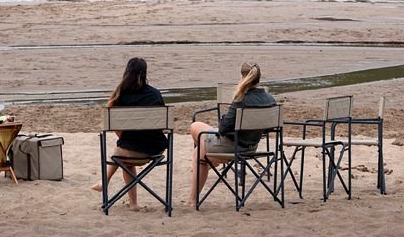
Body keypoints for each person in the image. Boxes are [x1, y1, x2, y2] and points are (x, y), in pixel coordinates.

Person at [187, 62, 276, 206]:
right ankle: (208, 162)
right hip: (252, 147)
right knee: (201, 141)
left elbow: (223, 129)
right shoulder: (270, 99)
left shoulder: (241, 99)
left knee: (196, 131)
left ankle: (193, 197)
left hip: (233, 146)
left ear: (242, 77)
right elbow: (269, 128)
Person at [91, 57, 168, 210]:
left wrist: (124, 139)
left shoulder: (121, 95)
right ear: (145, 73)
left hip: (132, 150)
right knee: (126, 158)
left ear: (127, 72)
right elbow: (162, 124)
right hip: (156, 149)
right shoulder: (155, 94)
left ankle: (106, 183)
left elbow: (110, 122)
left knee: (123, 156)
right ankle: (131, 202)